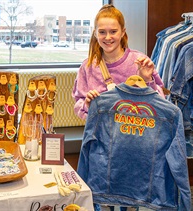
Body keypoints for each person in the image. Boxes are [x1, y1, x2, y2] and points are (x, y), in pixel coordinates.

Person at [72, 4, 165, 211]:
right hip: (101, 145)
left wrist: (147, 80)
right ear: (95, 33)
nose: (108, 37)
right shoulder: (88, 67)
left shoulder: (139, 61)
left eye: (113, 31)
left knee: (129, 199)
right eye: (102, 32)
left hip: (134, 143)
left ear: (123, 32)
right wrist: (87, 104)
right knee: (98, 195)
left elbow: (160, 103)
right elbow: (78, 105)